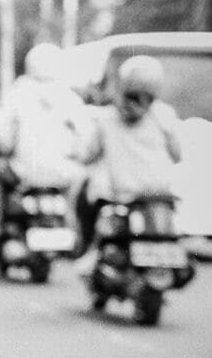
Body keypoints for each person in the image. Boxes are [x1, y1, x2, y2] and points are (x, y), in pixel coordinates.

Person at [72, 55, 184, 263]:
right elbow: (177, 155)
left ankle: (88, 252)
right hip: (160, 194)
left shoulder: (107, 119)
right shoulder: (164, 115)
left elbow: (88, 156)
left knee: (87, 201)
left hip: (122, 196)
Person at [0, 42, 88, 239]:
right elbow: (85, 140)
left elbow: (4, 139)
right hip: (65, 175)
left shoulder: (16, 94)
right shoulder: (70, 97)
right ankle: (77, 228)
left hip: (23, 173)